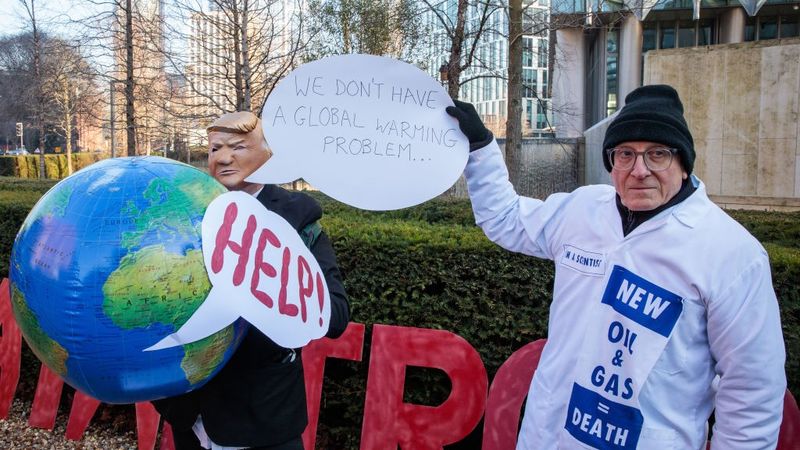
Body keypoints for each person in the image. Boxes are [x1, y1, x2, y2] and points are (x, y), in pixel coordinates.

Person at [446, 85, 786, 449]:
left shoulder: (732, 254)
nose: (639, 170)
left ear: (684, 164)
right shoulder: (582, 210)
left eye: (657, 154)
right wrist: (481, 148)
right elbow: (507, 218)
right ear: (611, 163)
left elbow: (752, 391)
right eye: (625, 154)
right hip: (546, 437)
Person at [153, 111, 350, 450]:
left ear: (267, 153)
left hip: (263, 418)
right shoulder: (186, 211)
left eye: (238, 146)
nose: (224, 157)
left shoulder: (297, 216)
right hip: (191, 412)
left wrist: (267, 269)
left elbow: (335, 315)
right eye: (215, 148)